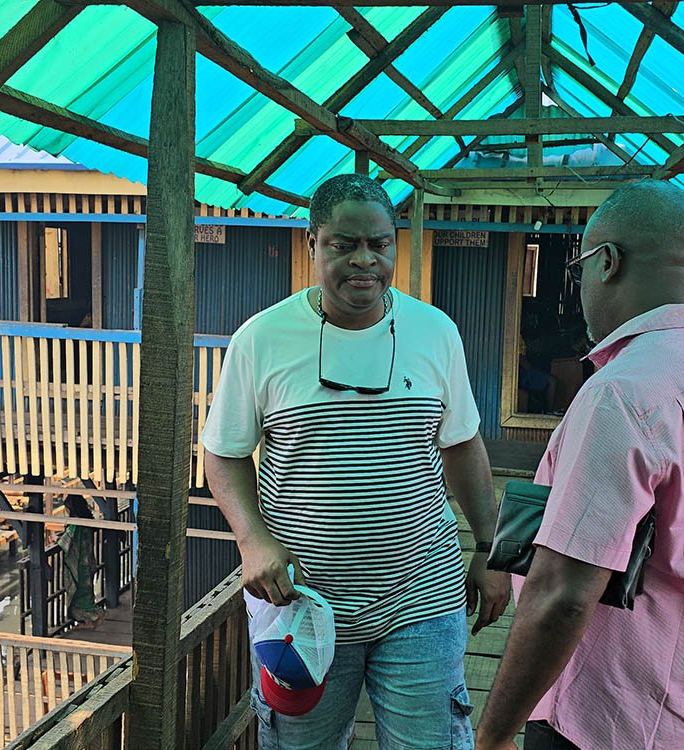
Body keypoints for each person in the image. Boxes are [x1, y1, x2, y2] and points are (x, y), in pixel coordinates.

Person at [201, 173, 511, 749]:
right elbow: (222, 453)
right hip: (301, 604)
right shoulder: (262, 339)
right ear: (312, 244)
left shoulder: (435, 332)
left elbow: (462, 443)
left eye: (379, 243)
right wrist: (252, 540)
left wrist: (492, 550)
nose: (364, 260)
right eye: (344, 245)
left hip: (422, 595)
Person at [475, 181, 684, 750]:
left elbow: (562, 594)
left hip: (599, 715)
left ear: (607, 262)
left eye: (581, 267)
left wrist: (493, 734)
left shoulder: (623, 393)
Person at [58, 496, 104, 627]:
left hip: (78, 565)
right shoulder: (87, 520)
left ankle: (88, 618)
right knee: (87, 590)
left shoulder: (75, 524)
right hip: (88, 561)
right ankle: (91, 616)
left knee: (78, 592)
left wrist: (56, 539)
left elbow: (65, 542)